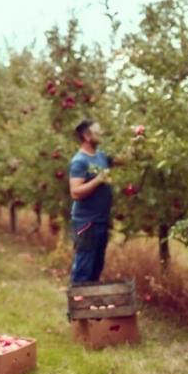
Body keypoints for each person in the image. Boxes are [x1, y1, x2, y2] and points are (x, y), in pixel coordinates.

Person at [67, 119, 123, 284]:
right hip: (86, 222)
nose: (101, 135)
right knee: (84, 266)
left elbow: (124, 159)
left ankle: (89, 307)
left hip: (101, 221)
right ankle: (77, 306)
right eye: (97, 132)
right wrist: (98, 180)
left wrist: (137, 141)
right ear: (86, 135)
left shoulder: (102, 156)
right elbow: (75, 192)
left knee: (97, 266)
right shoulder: (79, 161)